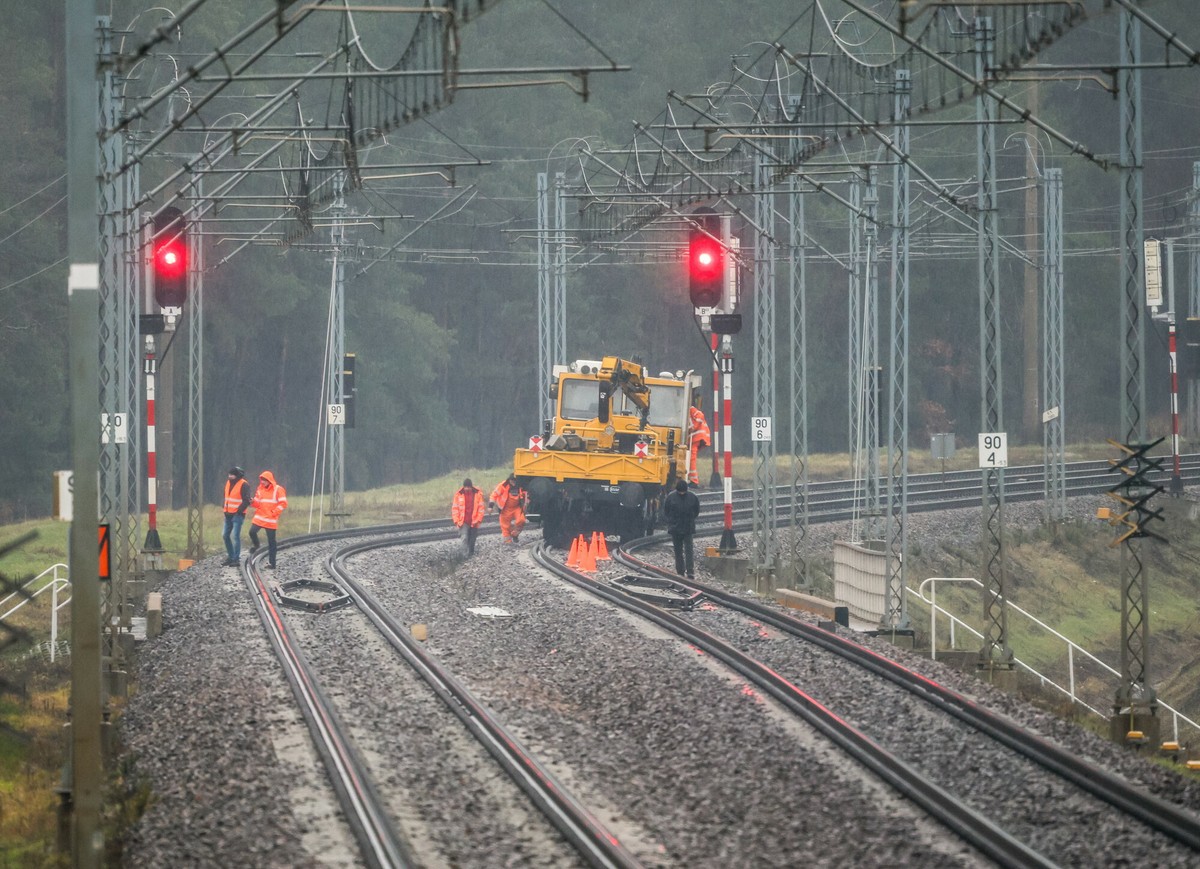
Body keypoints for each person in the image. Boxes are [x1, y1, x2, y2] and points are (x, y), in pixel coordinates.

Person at [661, 478, 701, 579]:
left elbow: (696, 511)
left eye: (683, 492)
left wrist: (671, 522)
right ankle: (681, 571)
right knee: (679, 550)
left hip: (684, 527)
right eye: (680, 492)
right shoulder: (692, 497)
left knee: (687, 550)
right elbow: (666, 512)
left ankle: (689, 571)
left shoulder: (671, 497)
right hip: (680, 528)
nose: (682, 494)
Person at [248, 470, 288, 569]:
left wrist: (274, 513)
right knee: (252, 532)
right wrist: (252, 502)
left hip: (270, 519)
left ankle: (272, 563)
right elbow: (257, 503)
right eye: (261, 480)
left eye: (264, 480)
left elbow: (283, 503)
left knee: (271, 542)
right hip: (260, 517)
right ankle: (257, 545)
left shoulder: (278, 489)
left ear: (269, 480)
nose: (262, 482)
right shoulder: (260, 489)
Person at [221, 466, 251, 566]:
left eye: (232, 475)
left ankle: (236, 559)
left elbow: (247, 500)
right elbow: (226, 497)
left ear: (237, 475)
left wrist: (239, 511)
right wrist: (224, 507)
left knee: (235, 536)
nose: (230, 476)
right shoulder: (228, 483)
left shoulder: (244, 484)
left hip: (237, 515)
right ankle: (231, 556)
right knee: (225, 535)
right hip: (228, 514)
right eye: (229, 474)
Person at [489, 474, 528, 544]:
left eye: (515, 480)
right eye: (512, 480)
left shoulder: (521, 486)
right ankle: (507, 542)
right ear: (509, 480)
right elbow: (494, 495)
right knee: (505, 526)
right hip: (505, 509)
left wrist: (526, 505)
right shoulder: (503, 485)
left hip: (517, 508)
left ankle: (515, 534)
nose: (513, 482)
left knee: (521, 520)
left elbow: (526, 495)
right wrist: (490, 506)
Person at [451, 477, 486, 556]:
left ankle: (470, 554)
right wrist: (456, 520)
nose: (467, 489)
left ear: (471, 487)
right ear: (463, 487)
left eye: (468, 487)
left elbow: (481, 509)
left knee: (472, 540)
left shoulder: (477, 494)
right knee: (464, 538)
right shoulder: (458, 495)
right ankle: (464, 555)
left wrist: (478, 520)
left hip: (474, 521)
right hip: (463, 521)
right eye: (465, 487)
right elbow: (455, 509)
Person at [687, 400, 711, 485]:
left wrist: (693, 427)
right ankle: (692, 479)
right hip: (694, 438)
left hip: (696, 437)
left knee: (691, 459)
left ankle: (694, 481)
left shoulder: (690, 409)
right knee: (690, 458)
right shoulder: (685, 411)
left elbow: (700, 415)